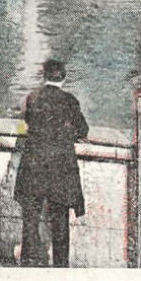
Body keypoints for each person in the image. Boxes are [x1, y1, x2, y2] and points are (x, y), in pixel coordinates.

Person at [14, 58, 90, 267]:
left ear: (44, 76)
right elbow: (83, 131)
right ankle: (60, 266)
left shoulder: (33, 98)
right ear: (63, 78)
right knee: (60, 222)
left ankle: (28, 263)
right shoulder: (70, 101)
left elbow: (29, 122)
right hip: (60, 169)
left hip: (34, 167)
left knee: (30, 220)